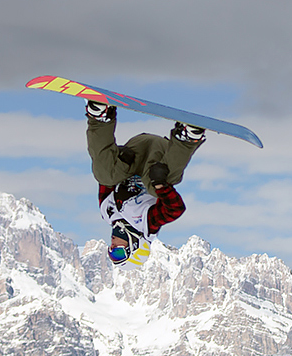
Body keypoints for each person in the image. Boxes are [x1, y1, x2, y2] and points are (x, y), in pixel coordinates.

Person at [85, 100, 206, 266]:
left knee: (104, 175)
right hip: (159, 159)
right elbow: (175, 209)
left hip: (136, 153)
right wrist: (161, 186)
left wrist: (120, 158)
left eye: (110, 250)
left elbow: (105, 174)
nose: (112, 245)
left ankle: (100, 116)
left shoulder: (108, 212)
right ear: (134, 247)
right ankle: (187, 138)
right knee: (157, 188)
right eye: (118, 251)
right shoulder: (147, 223)